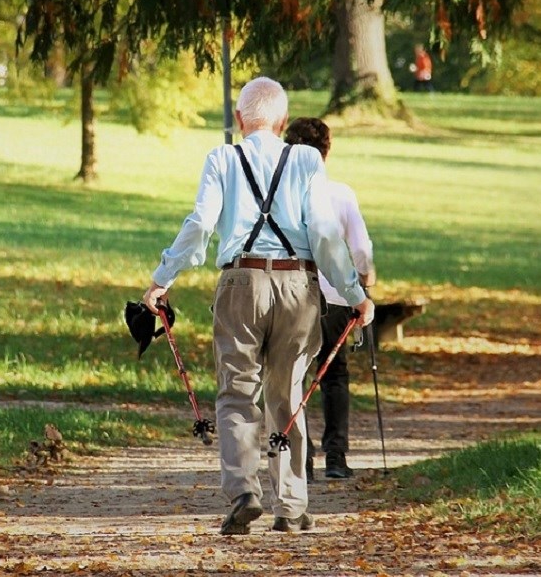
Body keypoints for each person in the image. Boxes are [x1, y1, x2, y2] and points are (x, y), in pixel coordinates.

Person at [142, 77, 375, 536]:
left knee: (236, 391)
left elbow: (200, 224)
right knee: (288, 394)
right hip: (297, 284)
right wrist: (355, 294)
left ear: (239, 120)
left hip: (240, 282)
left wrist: (161, 280)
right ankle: (291, 506)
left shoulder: (222, 158)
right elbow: (326, 236)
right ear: (283, 122)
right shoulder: (307, 160)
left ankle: (244, 492)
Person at [284, 117, 375, 481]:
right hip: (337, 295)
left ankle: (300, 459)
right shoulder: (340, 193)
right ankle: (336, 456)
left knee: (295, 375)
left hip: (294, 293)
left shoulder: (284, 195)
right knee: (335, 374)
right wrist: (365, 282)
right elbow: (360, 248)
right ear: (327, 150)